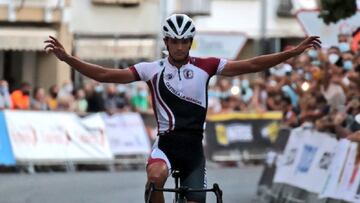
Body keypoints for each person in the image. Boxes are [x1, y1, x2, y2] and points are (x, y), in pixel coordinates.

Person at [44, 13, 321, 203]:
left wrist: (291, 53)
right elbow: (105, 75)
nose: (179, 46)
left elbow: (251, 65)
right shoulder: (151, 70)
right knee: (155, 176)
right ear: (166, 42)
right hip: (165, 145)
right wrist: (68, 59)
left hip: (193, 150)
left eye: (184, 41)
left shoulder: (206, 66)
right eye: (174, 41)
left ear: (190, 42)